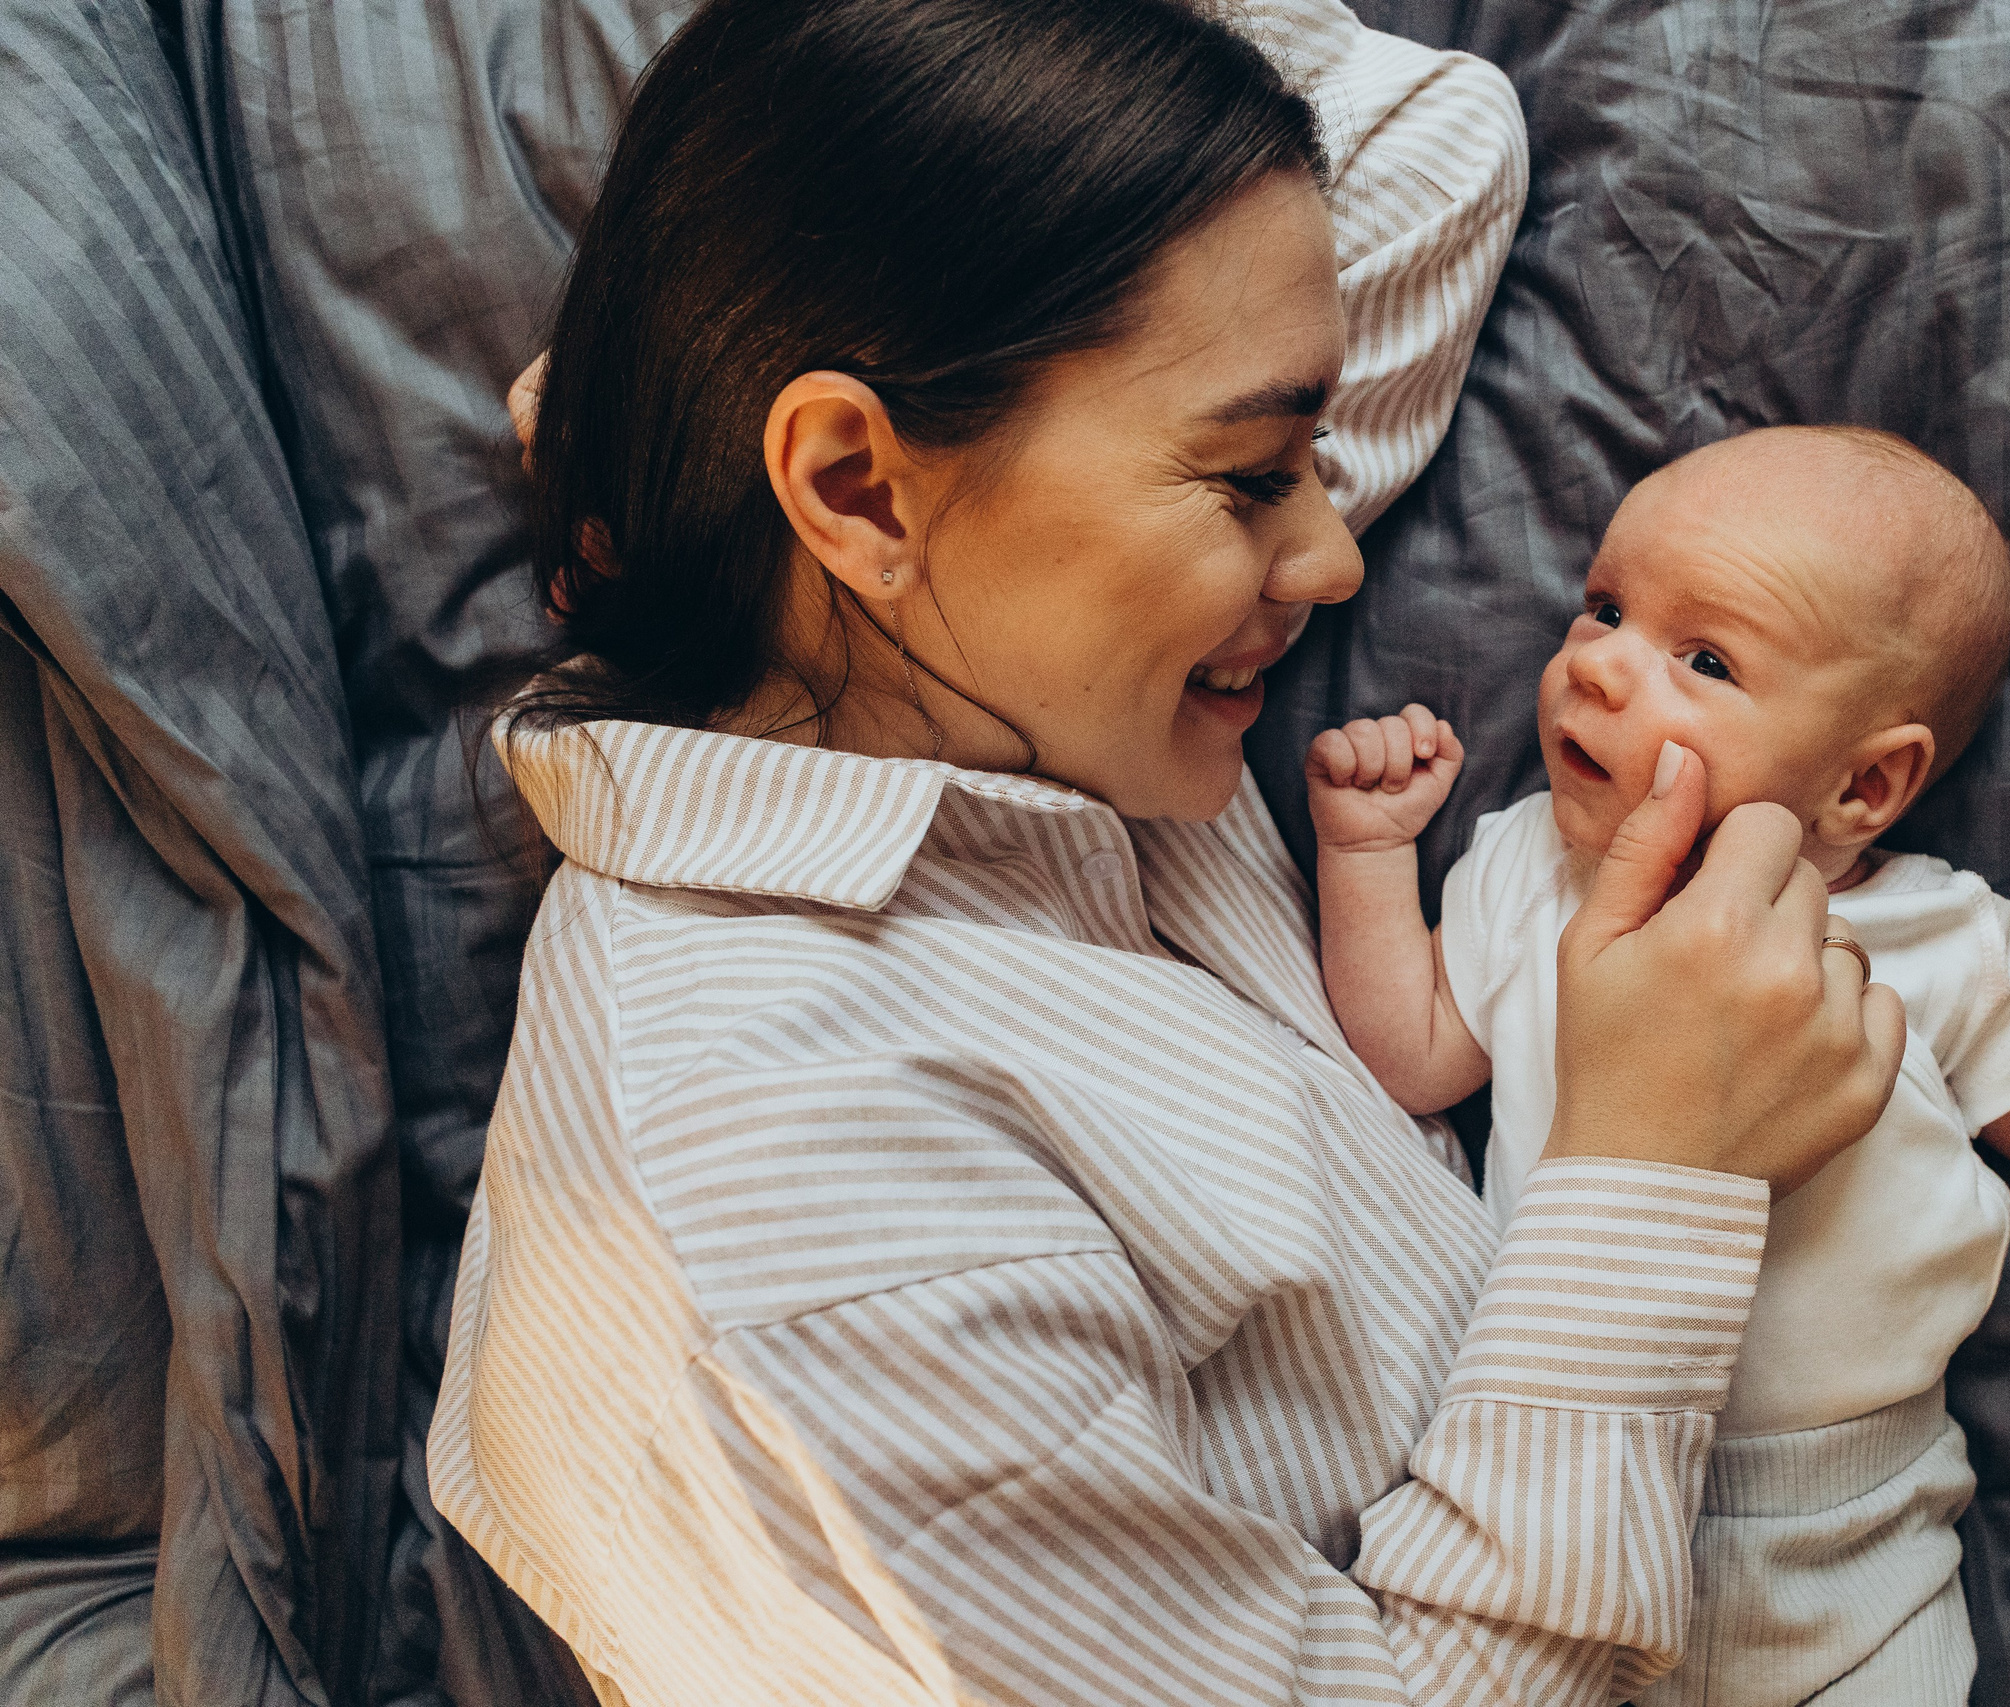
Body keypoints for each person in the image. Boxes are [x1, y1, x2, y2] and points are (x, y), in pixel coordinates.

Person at [427, 2, 1914, 1704]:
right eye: (1253, 478)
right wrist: (1659, 1167)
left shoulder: (1009, 682)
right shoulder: (789, 1247)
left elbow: (1437, 140)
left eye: (1312, 458)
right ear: (858, 490)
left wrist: (655, 384)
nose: (1332, 553)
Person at [1306, 427, 2010, 1705]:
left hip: (1857, 1519)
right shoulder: (1524, 871)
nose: (1598, 666)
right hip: (1564, 1476)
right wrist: (1365, 856)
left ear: (1864, 785)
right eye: (1604, 607)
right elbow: (1410, 1057)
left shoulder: (1935, 933)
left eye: (1705, 659)